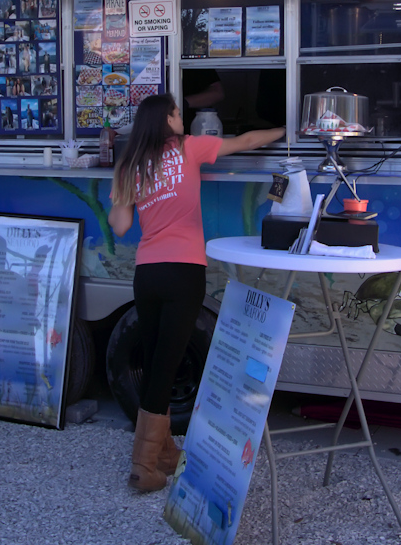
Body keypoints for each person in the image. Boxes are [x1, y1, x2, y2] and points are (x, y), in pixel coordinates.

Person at [109, 93, 285, 491]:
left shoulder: (130, 165)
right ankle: (143, 465)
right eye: (177, 114)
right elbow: (246, 142)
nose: (181, 118)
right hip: (184, 271)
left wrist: (122, 189)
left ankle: (164, 452)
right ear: (166, 121)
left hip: (147, 274)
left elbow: (120, 225)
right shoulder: (189, 147)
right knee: (166, 367)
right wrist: (284, 130)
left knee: (155, 361)